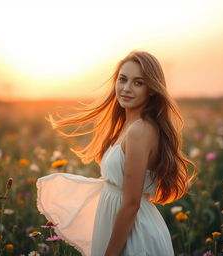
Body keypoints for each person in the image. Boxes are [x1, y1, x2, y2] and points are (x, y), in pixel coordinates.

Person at [36, 50, 197, 256]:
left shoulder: (140, 130)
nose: (126, 88)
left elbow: (131, 203)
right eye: (123, 80)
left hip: (136, 234)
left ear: (152, 90)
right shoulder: (128, 126)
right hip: (121, 227)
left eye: (138, 82)